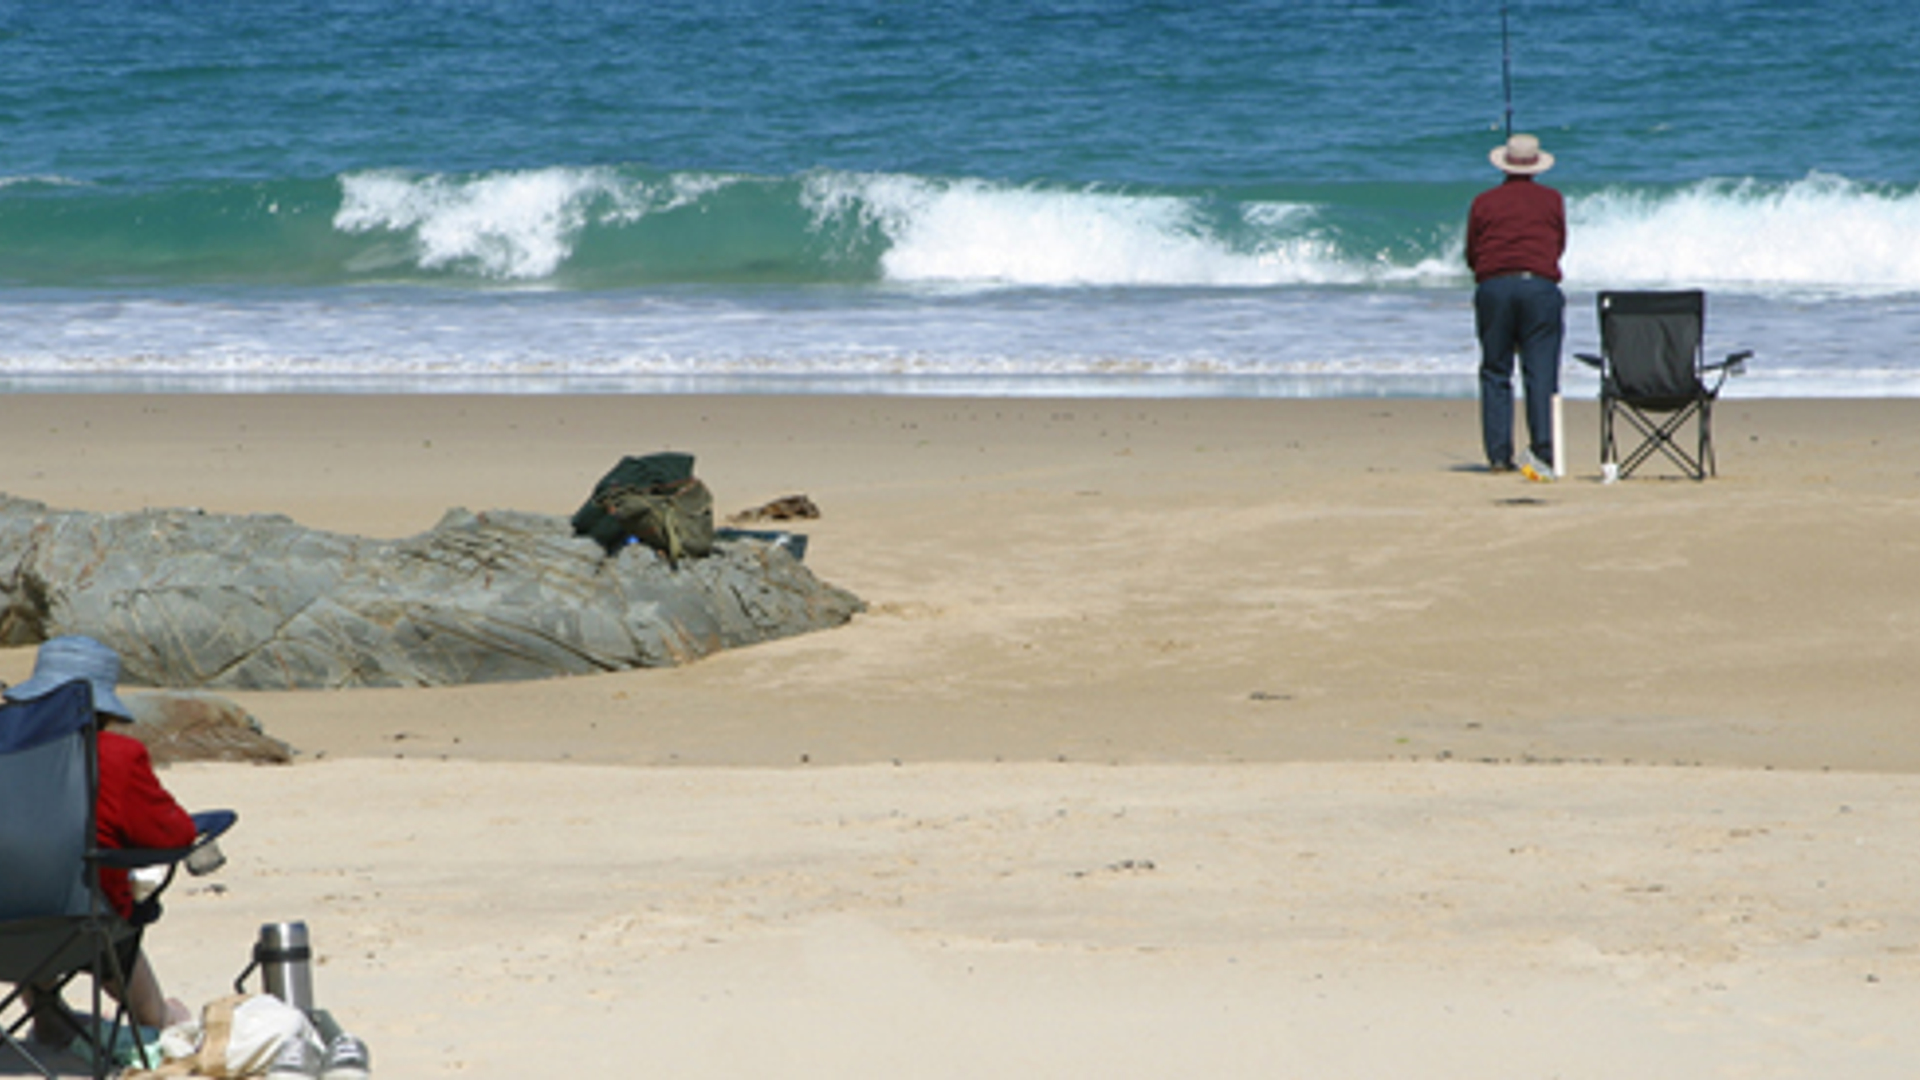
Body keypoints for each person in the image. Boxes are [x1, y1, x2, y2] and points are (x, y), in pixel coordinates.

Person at [3, 636, 197, 1043]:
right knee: (103, 904)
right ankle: (156, 1021)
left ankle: (47, 1011)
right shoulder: (116, 756)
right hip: (79, 929)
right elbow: (172, 834)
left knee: (24, 873)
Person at [1466, 132, 1567, 474]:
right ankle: (1543, 452)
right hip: (1539, 289)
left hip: (1494, 288)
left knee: (1496, 371)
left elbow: (1472, 253)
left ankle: (1498, 456)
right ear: (1536, 166)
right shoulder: (1552, 200)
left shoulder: (1484, 201)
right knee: (1540, 373)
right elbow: (1558, 246)